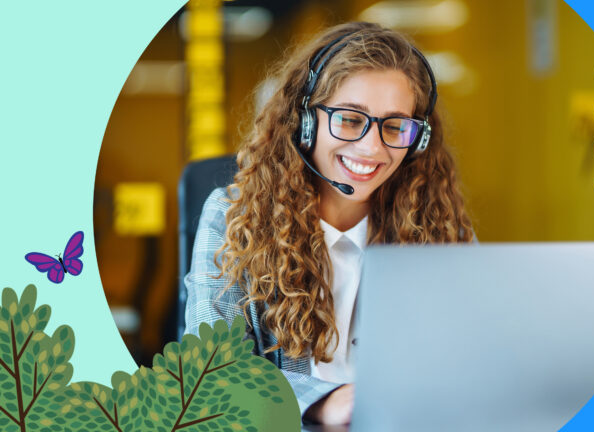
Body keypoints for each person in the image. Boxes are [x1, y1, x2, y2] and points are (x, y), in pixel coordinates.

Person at [184, 21, 474, 425]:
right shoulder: (232, 217)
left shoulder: (441, 229)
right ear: (305, 122)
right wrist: (326, 400)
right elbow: (210, 375)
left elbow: (472, 362)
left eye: (394, 126)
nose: (372, 148)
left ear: (417, 140)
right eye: (350, 119)